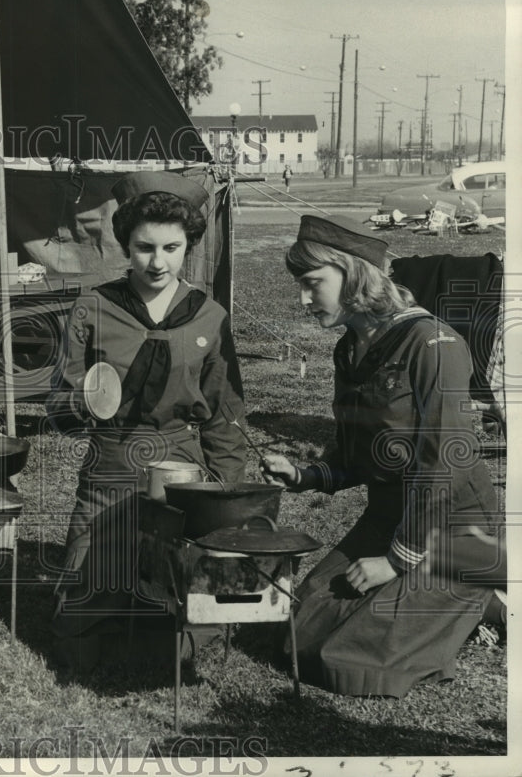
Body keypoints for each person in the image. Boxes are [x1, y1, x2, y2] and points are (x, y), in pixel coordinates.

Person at [262, 214, 501, 697]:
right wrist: (305, 474)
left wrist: (395, 561)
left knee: (349, 662)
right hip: (388, 513)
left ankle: (484, 596)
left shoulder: (433, 345)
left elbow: (442, 467)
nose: (303, 300)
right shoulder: (349, 350)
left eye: (312, 284)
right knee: (296, 634)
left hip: (452, 525)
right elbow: (355, 453)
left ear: (352, 275)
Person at [46, 171, 247, 653]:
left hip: (181, 467)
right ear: (124, 245)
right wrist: (84, 403)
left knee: (186, 601)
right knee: (77, 627)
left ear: (189, 247)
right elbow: (59, 405)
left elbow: (223, 413)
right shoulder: (94, 307)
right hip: (110, 465)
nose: (158, 262)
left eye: (172, 248)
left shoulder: (209, 316)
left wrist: (226, 494)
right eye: (144, 247)